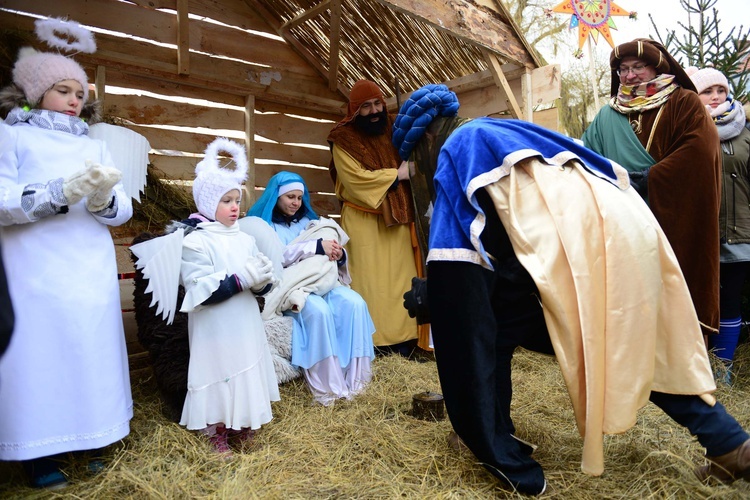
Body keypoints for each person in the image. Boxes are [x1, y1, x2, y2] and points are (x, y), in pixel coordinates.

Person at [392, 84, 750, 495]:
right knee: (627, 342)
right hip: (628, 230)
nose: (423, 169)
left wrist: (435, 294)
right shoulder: (505, 132)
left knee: (500, 333)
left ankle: (489, 437)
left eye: (417, 159)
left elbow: (466, 270)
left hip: (587, 249)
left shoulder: (460, 147)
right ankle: (730, 444)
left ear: (427, 139)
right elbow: (512, 244)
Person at [0, 18, 133, 489]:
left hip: (87, 263)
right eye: (64, 90)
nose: (76, 100)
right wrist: (57, 192)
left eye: (80, 93)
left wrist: (102, 200)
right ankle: (38, 453)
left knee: (87, 346)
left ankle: (93, 437)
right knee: (41, 352)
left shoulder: (95, 144)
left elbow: (123, 208)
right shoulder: (12, 136)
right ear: (36, 92)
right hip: (34, 265)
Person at [131, 138, 280, 457]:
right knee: (220, 375)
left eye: (236, 200)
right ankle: (215, 431)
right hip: (216, 328)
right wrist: (243, 278)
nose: (234, 207)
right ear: (208, 203)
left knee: (243, 370)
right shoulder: (196, 242)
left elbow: (258, 280)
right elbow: (199, 286)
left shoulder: (245, 238)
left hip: (243, 325)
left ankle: (242, 425)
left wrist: (263, 281)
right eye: (226, 200)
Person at [583, 38, 721, 341]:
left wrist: (648, 178)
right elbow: (587, 156)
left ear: (656, 67)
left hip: (671, 217)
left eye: (638, 67)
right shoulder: (607, 114)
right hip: (622, 221)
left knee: (673, 292)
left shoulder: (684, 102)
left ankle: (680, 367)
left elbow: (698, 151)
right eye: (623, 70)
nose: (629, 76)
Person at [248, 171, 376, 406]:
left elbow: (330, 252)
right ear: (276, 197)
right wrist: (316, 247)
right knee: (318, 312)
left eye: (299, 197)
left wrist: (338, 254)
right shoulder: (265, 227)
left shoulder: (311, 224)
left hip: (323, 282)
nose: (296, 202)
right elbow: (276, 258)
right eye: (290, 197)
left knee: (355, 303)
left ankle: (357, 381)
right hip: (293, 287)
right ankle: (329, 387)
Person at [327, 79, 427, 356]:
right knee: (371, 285)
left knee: (401, 282)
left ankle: (408, 340)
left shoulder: (396, 128)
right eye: (366, 107)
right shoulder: (343, 139)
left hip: (399, 220)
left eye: (377, 104)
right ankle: (374, 345)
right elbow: (356, 181)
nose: (373, 111)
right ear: (354, 110)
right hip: (365, 223)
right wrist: (398, 174)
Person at [687, 66, 750, 381]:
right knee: (696, 300)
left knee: (728, 300)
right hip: (700, 232)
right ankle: (695, 368)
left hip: (739, 232)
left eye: (720, 90)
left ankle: (721, 371)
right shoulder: (687, 128)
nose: (714, 97)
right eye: (706, 91)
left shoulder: (745, 130)